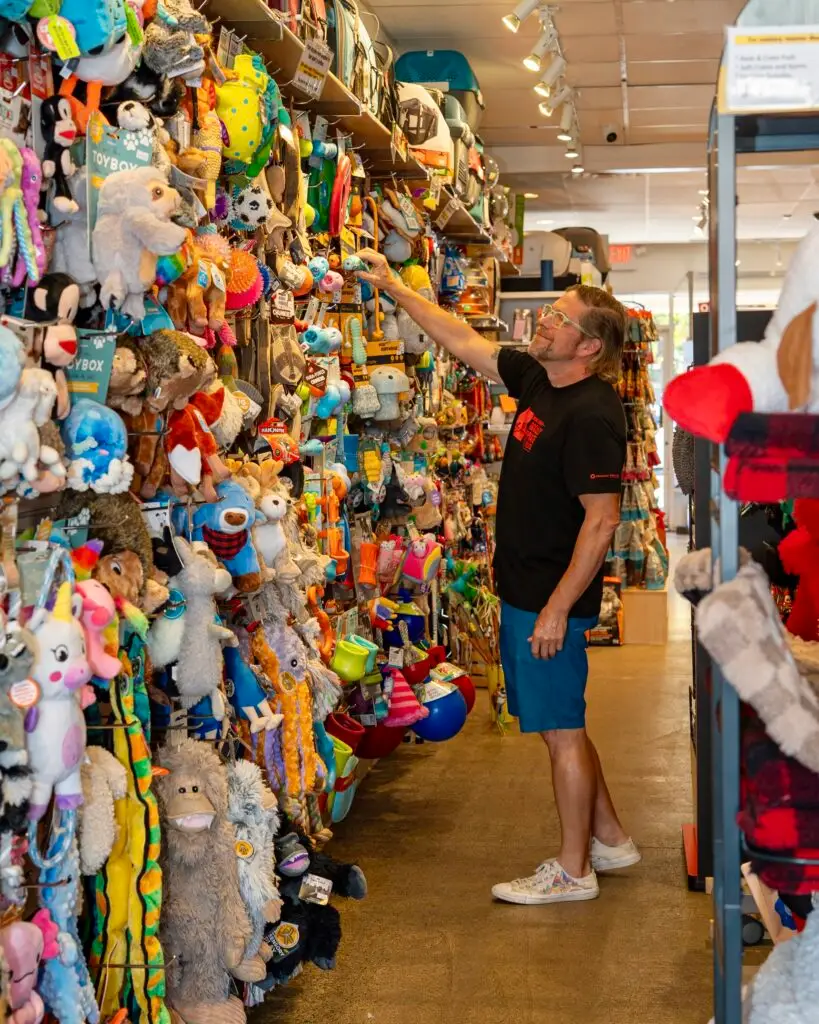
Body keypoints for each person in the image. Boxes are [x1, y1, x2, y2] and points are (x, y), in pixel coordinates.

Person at [356, 250, 641, 905]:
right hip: (526, 589)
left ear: (588, 346)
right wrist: (395, 287)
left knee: (561, 734)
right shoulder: (542, 380)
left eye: (560, 318)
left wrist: (555, 609)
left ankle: (573, 871)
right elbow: (462, 340)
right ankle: (608, 838)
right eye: (549, 310)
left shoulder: (592, 414)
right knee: (564, 723)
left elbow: (601, 522)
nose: (544, 321)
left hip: (548, 598)